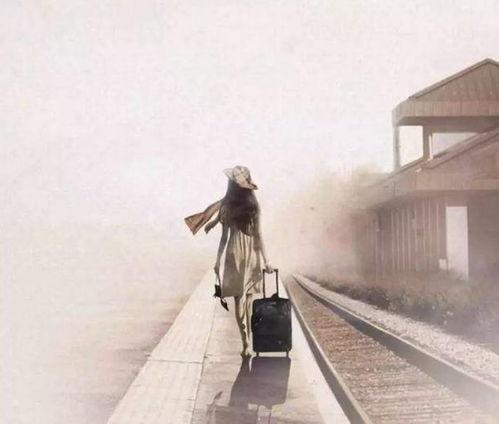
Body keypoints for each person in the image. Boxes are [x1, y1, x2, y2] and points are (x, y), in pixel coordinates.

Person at [184, 165, 273, 357]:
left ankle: (246, 343)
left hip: (234, 254)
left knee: (240, 301)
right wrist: (266, 260)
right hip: (252, 254)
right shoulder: (253, 206)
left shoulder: (227, 206)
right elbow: (258, 235)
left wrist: (218, 261)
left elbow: (224, 238)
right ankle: (248, 342)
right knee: (248, 301)